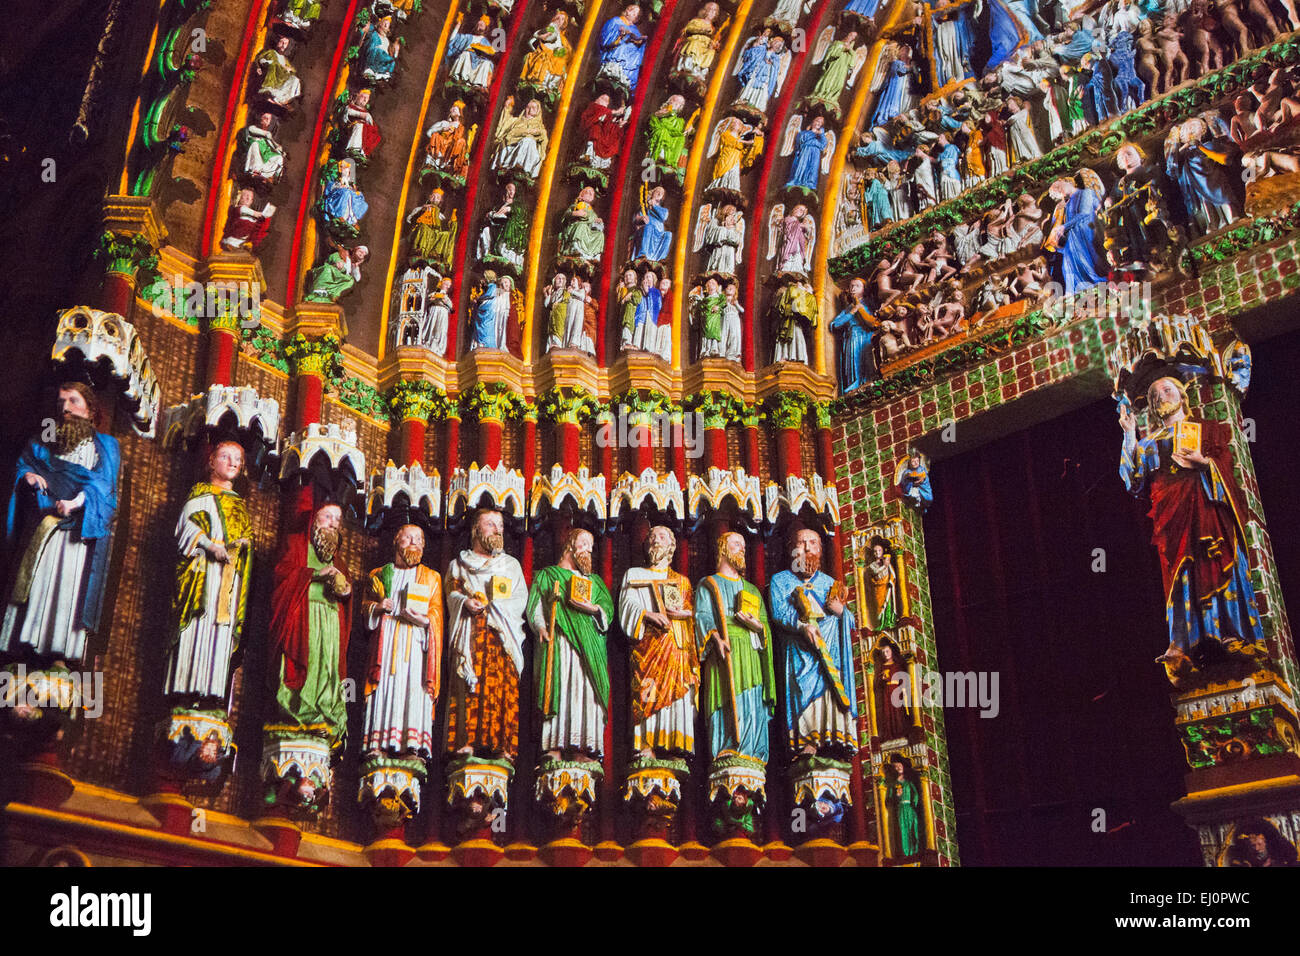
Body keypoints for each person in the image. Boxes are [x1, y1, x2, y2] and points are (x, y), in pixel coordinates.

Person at [1119, 377, 1266, 677]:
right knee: (1179, 575)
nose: (1161, 397)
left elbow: (1225, 466)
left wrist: (1204, 463)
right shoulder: (1150, 443)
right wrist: (1130, 435)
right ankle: (1185, 643)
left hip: (1207, 509)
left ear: (1183, 396)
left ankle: (1230, 631)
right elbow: (1134, 482)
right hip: (1171, 518)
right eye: (1154, 395)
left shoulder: (1206, 430)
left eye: (1167, 390)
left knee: (1214, 560)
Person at [2, 383, 120, 666]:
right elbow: (25, 463)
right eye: (61, 402)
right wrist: (27, 475)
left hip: (78, 534)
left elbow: (105, 489)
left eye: (73, 401)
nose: (65, 408)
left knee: (67, 590)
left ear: (91, 410)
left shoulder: (105, 446)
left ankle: (59, 660)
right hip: (43, 528)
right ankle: (22, 653)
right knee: (36, 585)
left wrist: (76, 502)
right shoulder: (46, 439)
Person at [165, 441, 252, 704]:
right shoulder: (199, 495)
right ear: (211, 461)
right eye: (225, 456)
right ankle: (186, 688)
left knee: (220, 629)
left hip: (227, 581)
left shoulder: (240, 505)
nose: (232, 462)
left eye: (238, 458)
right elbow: (185, 528)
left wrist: (244, 547)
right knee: (197, 624)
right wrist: (209, 545)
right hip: (201, 575)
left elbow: (246, 541)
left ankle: (211, 692)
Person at [267, 503, 352, 749]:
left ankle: (325, 712)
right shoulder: (296, 545)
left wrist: (347, 592)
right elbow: (281, 574)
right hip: (304, 617)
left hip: (331, 621)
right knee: (307, 661)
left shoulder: (340, 561)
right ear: (314, 521)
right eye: (327, 516)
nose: (334, 523)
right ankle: (299, 709)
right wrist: (314, 574)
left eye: (338, 519)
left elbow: (346, 597)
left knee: (328, 669)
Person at [444, 510, 527, 759]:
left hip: (501, 636)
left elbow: (519, 599)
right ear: (476, 530)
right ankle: (465, 741)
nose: (498, 529)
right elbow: (452, 594)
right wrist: (465, 602)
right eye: (491, 524)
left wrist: (496, 608)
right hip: (470, 634)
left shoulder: (510, 565)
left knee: (501, 688)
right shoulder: (458, 565)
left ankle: (503, 746)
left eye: (500, 525)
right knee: (467, 686)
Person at [526, 528, 615, 760]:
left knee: (585, 691)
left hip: (591, 646)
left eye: (591, 546)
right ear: (570, 545)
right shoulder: (549, 575)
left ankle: (582, 747)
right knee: (562, 686)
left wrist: (592, 608)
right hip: (561, 642)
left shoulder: (594, 581)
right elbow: (536, 604)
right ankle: (554, 745)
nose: (588, 550)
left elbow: (607, 610)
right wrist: (541, 626)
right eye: (583, 544)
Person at [767, 529, 857, 754]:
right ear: (791, 549)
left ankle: (832, 737)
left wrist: (842, 612)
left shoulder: (830, 583)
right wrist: (801, 626)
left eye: (813, 543)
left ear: (820, 549)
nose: (807, 548)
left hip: (829, 654)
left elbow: (852, 622)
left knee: (830, 691)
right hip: (799, 652)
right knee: (802, 690)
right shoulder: (781, 581)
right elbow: (779, 613)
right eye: (801, 543)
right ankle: (807, 742)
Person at [362, 524, 443, 758]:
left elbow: (437, 615)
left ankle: (411, 745)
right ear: (397, 541)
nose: (414, 543)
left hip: (417, 644)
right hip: (386, 643)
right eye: (408, 537)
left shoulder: (432, 577)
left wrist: (425, 620)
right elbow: (364, 609)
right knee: (385, 686)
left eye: (419, 539)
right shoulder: (378, 574)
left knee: (413, 689)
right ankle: (377, 744)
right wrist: (377, 608)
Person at [694, 531, 776, 762]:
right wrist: (714, 638)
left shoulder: (752, 590)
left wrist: (757, 626)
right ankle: (725, 746)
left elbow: (764, 627)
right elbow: (701, 615)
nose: (742, 548)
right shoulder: (708, 584)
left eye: (743, 545)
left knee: (751, 700)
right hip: (723, 650)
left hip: (749, 652)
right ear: (722, 549)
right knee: (725, 697)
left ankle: (752, 750)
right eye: (736, 544)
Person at [619, 526, 698, 757]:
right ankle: (646, 744)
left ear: (671, 546)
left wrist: (682, 615)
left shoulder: (682, 581)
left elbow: (692, 614)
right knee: (647, 692)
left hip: (676, 647)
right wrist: (648, 615)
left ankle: (676, 743)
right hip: (649, 646)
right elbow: (627, 604)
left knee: (677, 693)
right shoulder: (634, 574)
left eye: (662, 537)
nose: (656, 540)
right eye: (652, 537)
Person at [597, 4, 647, 91]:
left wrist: (640, 41)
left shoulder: (635, 30)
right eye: (633, 11)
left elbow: (638, 44)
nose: (635, 15)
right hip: (615, 55)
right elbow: (606, 40)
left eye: (637, 14)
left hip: (626, 64)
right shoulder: (615, 21)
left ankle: (625, 76)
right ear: (627, 10)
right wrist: (620, 36)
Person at [886, 756, 922, 857]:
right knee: (903, 830)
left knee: (912, 828)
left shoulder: (908, 782)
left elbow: (915, 794)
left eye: (899, 766)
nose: (898, 768)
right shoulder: (894, 784)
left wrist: (913, 804)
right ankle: (905, 853)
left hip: (909, 808)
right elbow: (889, 799)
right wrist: (896, 796)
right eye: (896, 767)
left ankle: (914, 851)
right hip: (900, 809)